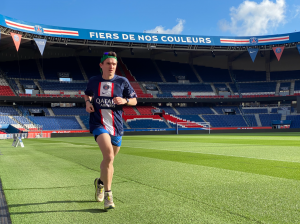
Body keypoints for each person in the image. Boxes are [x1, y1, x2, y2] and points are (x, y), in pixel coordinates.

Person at [84, 52, 137, 211]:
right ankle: (108, 194)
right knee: (108, 156)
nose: (111, 66)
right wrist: (87, 103)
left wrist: (125, 101)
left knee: (109, 161)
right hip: (98, 123)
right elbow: (87, 94)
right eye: (108, 63)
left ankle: (100, 183)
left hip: (117, 126)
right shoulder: (94, 81)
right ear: (101, 65)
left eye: (114, 64)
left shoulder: (122, 81)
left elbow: (134, 100)